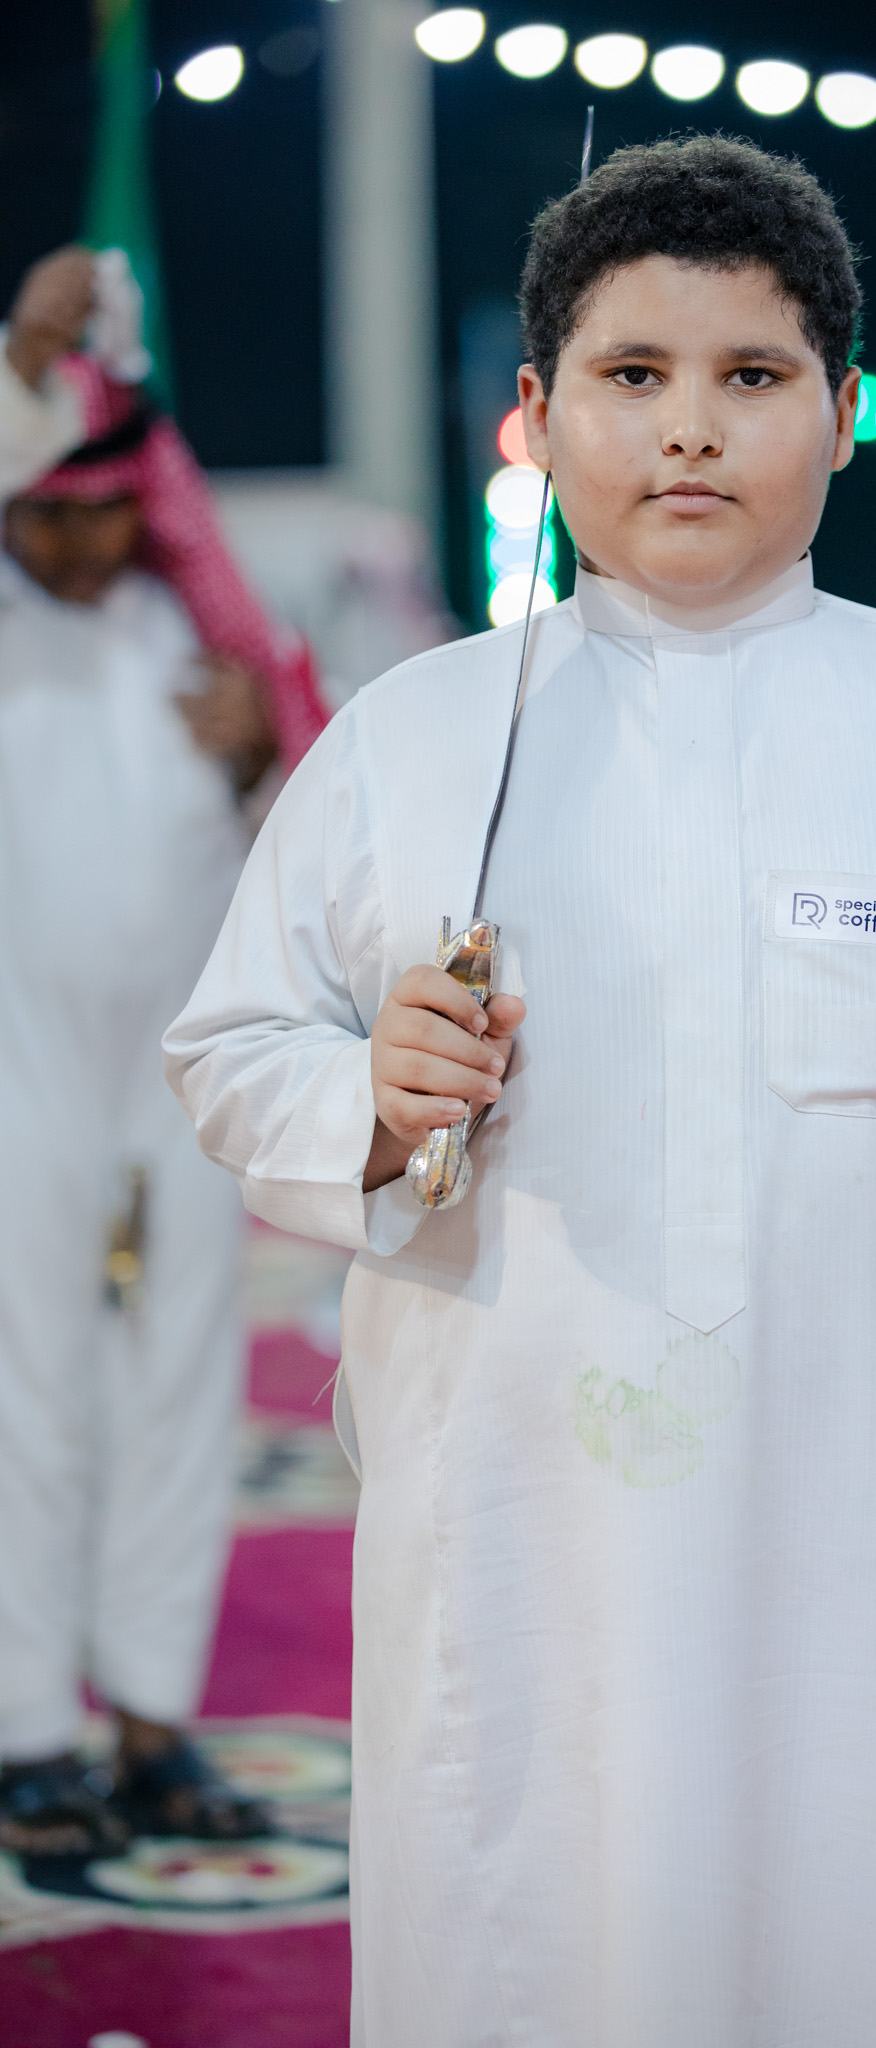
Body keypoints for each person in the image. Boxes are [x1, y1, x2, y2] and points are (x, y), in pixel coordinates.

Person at [165, 139, 876, 2045]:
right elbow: (231, 1053)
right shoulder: (415, 739)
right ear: (537, 417)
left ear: (842, 414)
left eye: (751, 376)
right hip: (521, 1543)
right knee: (537, 1938)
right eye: (632, 375)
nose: (689, 429)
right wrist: (368, 1096)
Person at [0, 246, 329, 1855]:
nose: (73, 541)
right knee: (26, 1388)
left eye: (102, 510)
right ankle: (24, 1733)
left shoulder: (206, 652)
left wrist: (262, 754)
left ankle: (149, 1717)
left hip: (179, 1081)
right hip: (19, 1072)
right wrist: (24, 362)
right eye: (43, 511)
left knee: (180, 1381)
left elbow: (327, 867)